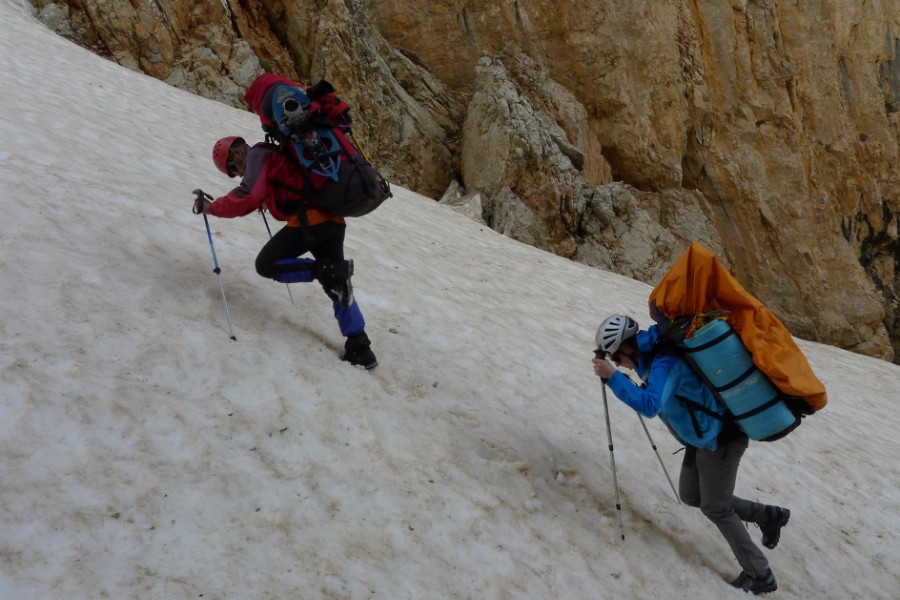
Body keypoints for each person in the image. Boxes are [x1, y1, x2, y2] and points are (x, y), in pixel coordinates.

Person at [591, 314, 790, 595]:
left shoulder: (664, 362)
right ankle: (768, 515)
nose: (616, 362)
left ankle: (760, 574)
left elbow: (649, 405)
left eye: (615, 356)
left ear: (627, 347)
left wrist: (613, 379)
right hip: (702, 438)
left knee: (715, 507)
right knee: (692, 495)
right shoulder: (649, 360)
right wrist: (618, 377)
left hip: (720, 439)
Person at [194, 134, 377, 369]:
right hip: (332, 220)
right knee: (337, 282)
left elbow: (248, 195)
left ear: (237, 154)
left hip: (308, 222)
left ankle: (324, 271)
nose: (239, 174)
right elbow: (277, 186)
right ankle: (360, 346)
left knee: (267, 264)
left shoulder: (257, 156)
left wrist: (212, 208)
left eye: (235, 170)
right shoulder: (272, 153)